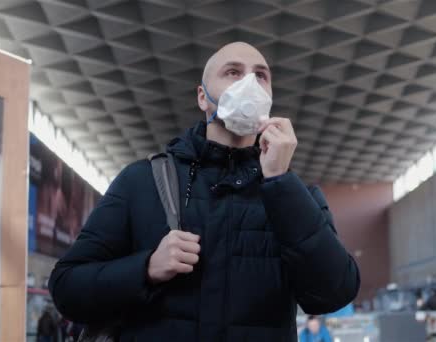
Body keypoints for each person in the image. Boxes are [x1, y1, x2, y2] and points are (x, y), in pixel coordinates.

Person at [48, 42, 360, 341]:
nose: (249, 83)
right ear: (203, 97)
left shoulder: (294, 196)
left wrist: (280, 181)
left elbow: (334, 293)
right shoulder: (142, 181)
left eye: (260, 76)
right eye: (233, 72)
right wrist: (146, 269)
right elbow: (67, 287)